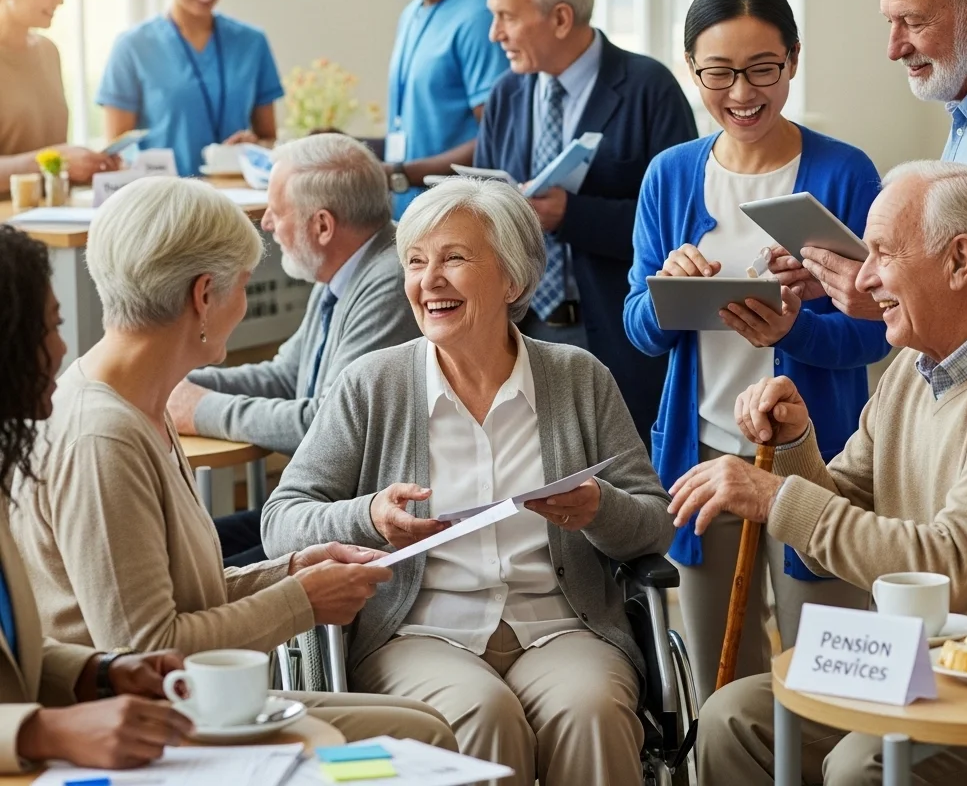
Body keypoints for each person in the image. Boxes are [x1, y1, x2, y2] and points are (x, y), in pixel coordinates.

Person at [9, 177, 455, 751]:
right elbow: (149, 648)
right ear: (203, 296)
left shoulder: (142, 403)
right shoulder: (105, 435)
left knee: (423, 727)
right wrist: (304, 601)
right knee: (420, 735)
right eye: (241, 286)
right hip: (143, 724)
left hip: (185, 704)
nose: (241, 305)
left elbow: (180, 595)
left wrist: (290, 569)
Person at [262, 177, 675, 786]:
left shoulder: (577, 377)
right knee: (480, 715)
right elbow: (282, 520)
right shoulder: (372, 384)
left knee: (592, 710)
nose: (429, 281)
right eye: (416, 261)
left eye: (454, 258)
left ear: (512, 279)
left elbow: (653, 521)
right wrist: (369, 516)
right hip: (418, 632)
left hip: (563, 626)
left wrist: (597, 509)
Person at [672, 160, 967, 785]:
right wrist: (795, 441)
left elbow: (951, 568)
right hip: (916, 667)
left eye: (882, 253)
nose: (862, 279)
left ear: (959, 260)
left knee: (863, 764)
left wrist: (774, 495)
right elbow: (844, 501)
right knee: (730, 718)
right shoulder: (915, 369)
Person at [623, 0, 891, 706]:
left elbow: (877, 335)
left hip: (820, 460)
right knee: (721, 682)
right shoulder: (671, 176)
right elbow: (639, 333)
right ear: (691, 69)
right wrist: (665, 294)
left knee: (829, 685)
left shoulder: (844, 173)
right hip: (702, 455)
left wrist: (795, 328)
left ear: (793, 60)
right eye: (719, 73)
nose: (741, 93)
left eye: (762, 69)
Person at [477, 0, 697, 445]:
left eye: (506, 17)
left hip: (621, 340)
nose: (495, 34)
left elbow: (679, 230)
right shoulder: (507, 93)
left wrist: (570, 216)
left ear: (559, 18)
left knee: (626, 492)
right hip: (521, 333)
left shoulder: (649, 88)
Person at [168, 133, 420, 565]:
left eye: (276, 211)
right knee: (175, 551)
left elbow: (326, 425)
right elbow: (285, 376)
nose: (266, 223)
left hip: (354, 524)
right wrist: (175, 381)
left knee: (195, 576)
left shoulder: (390, 281)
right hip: (323, 510)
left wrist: (201, 409)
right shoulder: (342, 272)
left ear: (322, 225)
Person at [0, 224, 194, 773]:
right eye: (49, 328)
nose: (63, 347)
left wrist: (99, 671)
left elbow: (10, 660)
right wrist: (43, 729)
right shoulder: (99, 433)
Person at [778, 0, 967, 314]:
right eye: (890, 22)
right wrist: (868, 276)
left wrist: (887, 298)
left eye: (912, 21)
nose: (894, 48)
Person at [97, 0, 282, 177]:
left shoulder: (252, 43)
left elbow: (269, 139)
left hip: (236, 206)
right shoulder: (132, 47)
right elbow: (117, 153)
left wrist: (254, 146)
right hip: (162, 206)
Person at [365, 0, 508, 216]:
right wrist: (354, 148)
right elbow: (419, 135)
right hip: (410, 218)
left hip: (458, 221)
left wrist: (399, 174)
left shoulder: (479, 17)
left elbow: (498, 141)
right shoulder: (412, 14)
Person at [0, 0, 116, 192]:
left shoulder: (47, 51)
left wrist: (87, 166)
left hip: (53, 219)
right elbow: (50, 159)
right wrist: (52, 162)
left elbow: (52, 157)